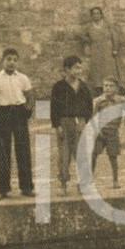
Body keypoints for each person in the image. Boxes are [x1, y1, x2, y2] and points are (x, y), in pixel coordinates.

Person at [0, 48, 35, 200]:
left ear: (18, 62)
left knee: (23, 150)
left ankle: (26, 187)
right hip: (3, 114)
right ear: (2, 61)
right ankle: (2, 189)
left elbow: (30, 98)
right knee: (2, 151)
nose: (11, 63)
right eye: (8, 59)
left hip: (19, 113)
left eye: (15, 59)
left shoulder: (23, 78)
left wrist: (27, 111)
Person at [50, 55, 94, 195]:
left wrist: (85, 121)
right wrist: (57, 125)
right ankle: (63, 185)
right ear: (67, 69)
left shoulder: (83, 86)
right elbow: (54, 107)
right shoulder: (58, 87)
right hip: (64, 122)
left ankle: (82, 184)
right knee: (64, 155)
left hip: (80, 122)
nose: (78, 70)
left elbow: (89, 105)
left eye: (80, 67)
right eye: (75, 68)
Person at [78, 7, 124, 95]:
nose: (96, 15)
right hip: (96, 51)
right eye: (94, 14)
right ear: (91, 16)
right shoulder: (89, 27)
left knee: (109, 70)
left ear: (101, 15)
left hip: (107, 50)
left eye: (97, 13)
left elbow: (115, 37)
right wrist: (89, 41)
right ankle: (99, 90)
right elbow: (81, 35)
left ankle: (112, 90)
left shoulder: (107, 25)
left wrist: (115, 49)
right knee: (97, 71)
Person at [92, 77, 125, 189]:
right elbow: (93, 117)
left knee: (113, 157)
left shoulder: (121, 101)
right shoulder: (97, 101)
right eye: (105, 85)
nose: (107, 88)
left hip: (113, 133)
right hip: (100, 133)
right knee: (93, 155)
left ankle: (115, 180)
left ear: (116, 88)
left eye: (111, 86)